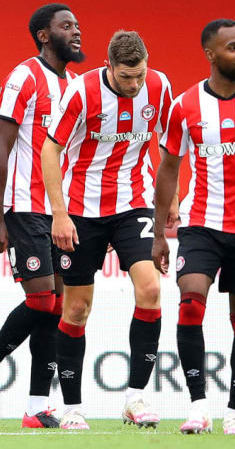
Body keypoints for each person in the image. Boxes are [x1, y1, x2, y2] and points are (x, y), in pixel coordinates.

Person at [41, 31, 175, 430]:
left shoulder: (159, 85)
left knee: (150, 289)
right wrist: (59, 213)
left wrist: (171, 202)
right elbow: (51, 149)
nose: (134, 85)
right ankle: (72, 407)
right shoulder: (81, 93)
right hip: (81, 210)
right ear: (108, 66)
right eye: (125, 77)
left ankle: (135, 400)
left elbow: (169, 147)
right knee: (77, 308)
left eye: (139, 75)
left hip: (134, 202)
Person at [152, 19, 235, 436]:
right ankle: (198, 407)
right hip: (201, 223)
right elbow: (169, 169)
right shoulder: (186, 106)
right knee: (190, 304)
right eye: (233, 48)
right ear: (210, 54)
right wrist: (157, 233)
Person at [0, 3, 83, 429]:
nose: (76, 31)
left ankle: (36, 407)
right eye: (66, 26)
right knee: (41, 300)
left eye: (77, 25)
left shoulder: (73, 85)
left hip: (57, 211)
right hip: (22, 205)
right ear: (43, 35)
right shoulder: (24, 77)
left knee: (55, 306)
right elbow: (0, 148)